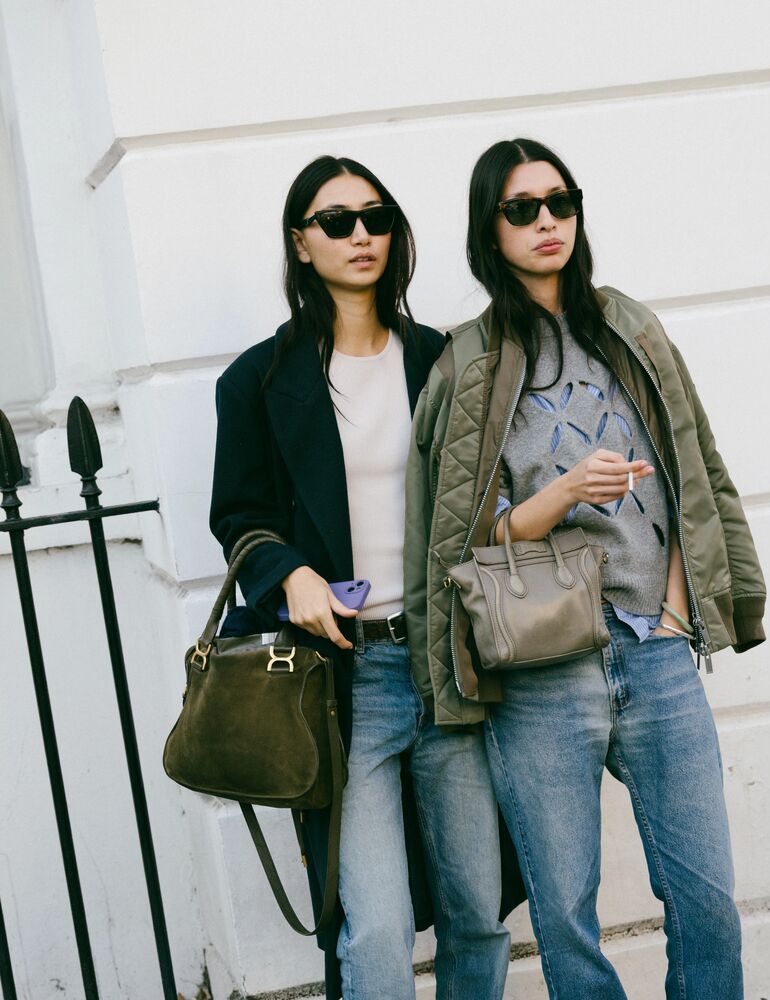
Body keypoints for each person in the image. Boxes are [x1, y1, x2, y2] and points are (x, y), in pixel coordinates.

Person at [404, 137, 766, 999]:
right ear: (489, 230)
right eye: (521, 208)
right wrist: (564, 492)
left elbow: (693, 469)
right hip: (543, 667)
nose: (547, 222)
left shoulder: (628, 327)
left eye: (560, 202)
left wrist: (677, 610)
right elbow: (465, 541)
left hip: (654, 645)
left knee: (706, 902)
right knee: (567, 918)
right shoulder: (468, 361)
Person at [210, 155, 514, 1000]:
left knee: (477, 912)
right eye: (336, 221)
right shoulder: (259, 381)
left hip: (447, 664)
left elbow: (487, 490)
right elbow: (239, 516)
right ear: (300, 242)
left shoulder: (442, 360)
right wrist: (289, 575)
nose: (360, 236)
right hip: (346, 678)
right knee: (374, 925)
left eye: (375, 218)